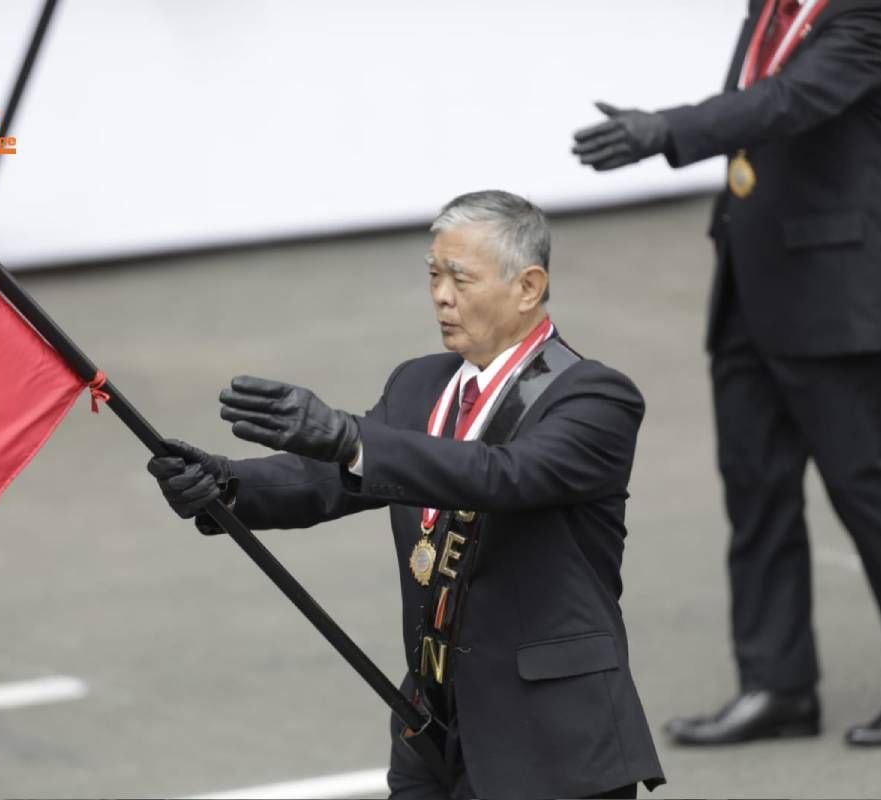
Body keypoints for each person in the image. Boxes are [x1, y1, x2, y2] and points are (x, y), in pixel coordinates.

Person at [147, 191, 665, 799]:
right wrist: (226, 485)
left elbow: (503, 474)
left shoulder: (594, 397)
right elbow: (334, 479)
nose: (441, 296)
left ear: (528, 287)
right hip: (434, 726)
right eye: (433, 276)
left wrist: (350, 437)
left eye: (460, 279)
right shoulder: (419, 383)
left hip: (554, 740)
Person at [571, 0, 881, 747]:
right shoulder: (772, 5)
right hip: (752, 284)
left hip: (838, 295)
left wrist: (666, 130)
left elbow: (786, 101)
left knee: (866, 487)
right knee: (756, 489)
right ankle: (777, 686)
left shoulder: (873, 15)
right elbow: (756, 106)